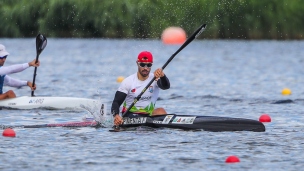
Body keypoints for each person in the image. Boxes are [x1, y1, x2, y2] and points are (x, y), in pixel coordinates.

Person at [111, 51, 170, 126]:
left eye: (148, 65)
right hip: (130, 116)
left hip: (149, 116)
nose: (145, 68)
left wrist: (163, 76)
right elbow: (116, 102)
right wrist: (116, 116)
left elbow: (166, 86)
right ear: (137, 63)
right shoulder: (128, 81)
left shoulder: (155, 78)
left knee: (161, 111)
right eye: (142, 65)